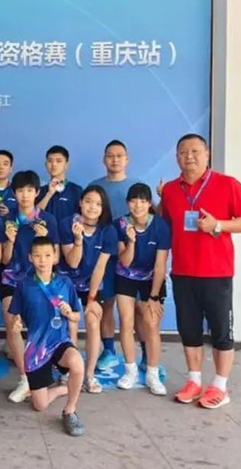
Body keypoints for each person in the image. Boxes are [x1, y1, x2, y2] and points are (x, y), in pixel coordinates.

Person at [161, 134, 241, 409]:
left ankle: (220, 386)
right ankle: (194, 380)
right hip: (182, 271)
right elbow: (166, 221)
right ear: (176, 157)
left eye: (195, 151)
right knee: (188, 330)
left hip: (216, 272)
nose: (189, 156)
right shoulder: (170, 190)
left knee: (221, 331)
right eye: (183, 152)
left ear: (207, 153)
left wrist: (218, 225)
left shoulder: (228, 184)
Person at [8, 237, 85, 436]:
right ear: (30, 258)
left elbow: (77, 316)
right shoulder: (24, 286)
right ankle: (62, 389)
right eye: (37, 256)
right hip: (36, 349)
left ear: (55, 257)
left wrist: (70, 314)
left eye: (47, 255)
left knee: (77, 363)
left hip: (59, 342)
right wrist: (17, 323)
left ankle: (70, 411)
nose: (42, 260)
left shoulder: (65, 283)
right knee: (40, 405)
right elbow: (16, 316)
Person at [0, 170, 60, 403]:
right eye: (20, 190)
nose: (24, 195)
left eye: (29, 190)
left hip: (38, 282)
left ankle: (44, 370)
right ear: (14, 193)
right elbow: (4, 259)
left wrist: (43, 241)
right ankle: (25, 378)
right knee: (11, 323)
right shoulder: (7, 219)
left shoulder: (48, 220)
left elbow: (55, 258)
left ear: (37, 192)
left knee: (40, 325)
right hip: (11, 280)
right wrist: (10, 240)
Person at [60, 185, 117, 394]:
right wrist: (78, 240)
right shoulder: (67, 224)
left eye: (98, 204)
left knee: (93, 320)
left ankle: (89, 375)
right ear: (80, 203)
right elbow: (73, 262)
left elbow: (100, 267)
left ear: (103, 208)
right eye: (88, 202)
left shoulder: (108, 231)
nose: (92, 207)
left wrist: (92, 298)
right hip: (66, 283)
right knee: (71, 323)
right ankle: (69, 371)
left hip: (91, 284)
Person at [114, 183, 170, 396]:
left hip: (151, 279)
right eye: (134, 201)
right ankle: (130, 370)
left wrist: (154, 296)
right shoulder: (120, 224)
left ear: (149, 204)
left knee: (151, 324)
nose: (138, 205)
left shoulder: (161, 226)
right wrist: (131, 242)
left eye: (143, 201)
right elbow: (125, 262)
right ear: (128, 203)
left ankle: (152, 374)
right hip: (125, 276)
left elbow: (160, 264)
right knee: (126, 322)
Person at [89, 140, 140, 372]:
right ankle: (109, 351)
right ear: (104, 159)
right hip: (105, 256)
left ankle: (145, 355)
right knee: (107, 304)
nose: (115, 160)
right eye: (110, 156)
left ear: (127, 159)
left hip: (134, 257)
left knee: (137, 309)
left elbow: (150, 217)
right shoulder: (95, 186)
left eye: (119, 156)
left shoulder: (137, 186)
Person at [36, 145, 83, 223]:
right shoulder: (39, 191)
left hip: (67, 231)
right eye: (50, 161)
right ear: (45, 165)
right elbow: (33, 216)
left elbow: (82, 218)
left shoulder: (76, 190)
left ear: (67, 165)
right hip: (44, 231)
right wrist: (49, 194)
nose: (54, 164)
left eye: (58, 161)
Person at [0, 149, 18, 218]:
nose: (1, 167)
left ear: (11, 168)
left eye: (5, 164)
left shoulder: (17, 190)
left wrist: (9, 214)